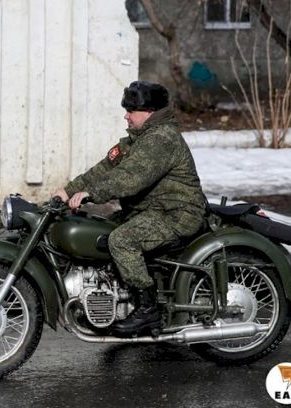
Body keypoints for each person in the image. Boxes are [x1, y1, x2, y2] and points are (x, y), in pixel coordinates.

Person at [53, 81, 206, 335]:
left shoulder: (161, 139)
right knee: (98, 232)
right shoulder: (135, 141)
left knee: (122, 240)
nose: (126, 115)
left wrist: (92, 194)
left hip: (176, 214)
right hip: (149, 210)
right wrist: (68, 190)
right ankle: (113, 295)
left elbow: (130, 178)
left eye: (131, 110)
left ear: (150, 112)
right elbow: (103, 169)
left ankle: (148, 309)